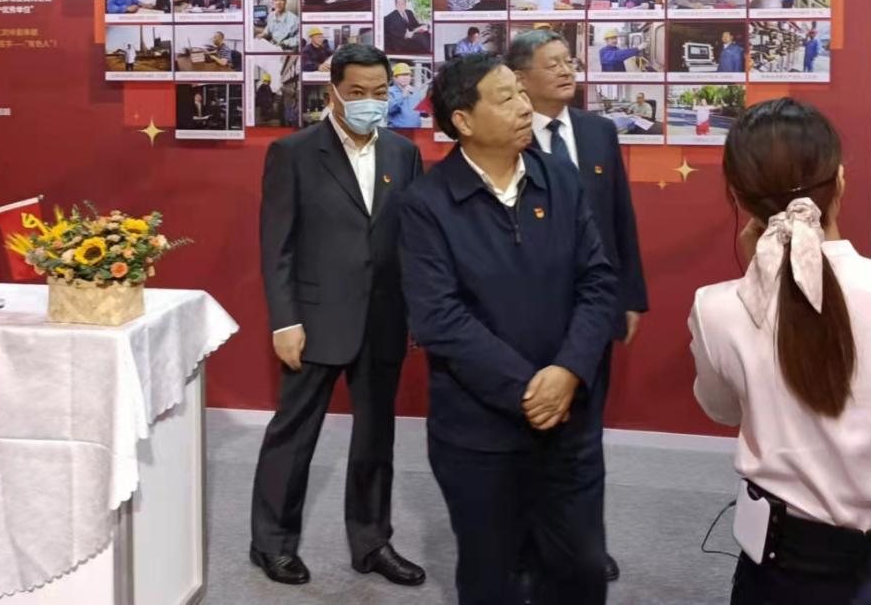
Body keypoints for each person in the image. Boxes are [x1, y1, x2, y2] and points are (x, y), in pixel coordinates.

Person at [689, 97, 871, 604]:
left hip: (787, 564)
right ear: (839, 180)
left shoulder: (717, 309)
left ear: (738, 198)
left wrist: (758, 282)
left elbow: (723, 408)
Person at [398, 52, 619, 605]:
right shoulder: (426, 204)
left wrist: (567, 372)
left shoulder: (560, 178)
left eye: (521, 93)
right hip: (479, 435)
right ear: (463, 121)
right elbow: (440, 319)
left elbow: (597, 282)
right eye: (506, 98)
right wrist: (529, 390)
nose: (524, 106)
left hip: (569, 424)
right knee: (492, 576)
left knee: (580, 568)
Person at [252, 43, 425, 589]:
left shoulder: (403, 153)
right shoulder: (294, 152)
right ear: (333, 93)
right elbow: (277, 246)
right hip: (313, 319)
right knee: (294, 434)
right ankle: (272, 543)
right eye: (357, 92)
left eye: (380, 92)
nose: (370, 102)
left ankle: (372, 542)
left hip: (384, 317)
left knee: (376, 437)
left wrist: (418, 312)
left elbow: (412, 242)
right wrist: (284, 321)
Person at [510, 29, 649, 585]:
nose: (568, 71)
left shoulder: (598, 131)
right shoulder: (508, 136)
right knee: (531, 431)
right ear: (520, 79)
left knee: (586, 439)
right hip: (528, 310)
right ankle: (525, 543)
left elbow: (621, 218)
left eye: (570, 61)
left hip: (594, 307)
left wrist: (630, 296)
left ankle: (586, 545)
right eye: (553, 64)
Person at [387, 62, 423, 129]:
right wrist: (403, 96)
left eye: (407, 75)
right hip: (397, 131)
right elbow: (390, 109)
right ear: (395, 78)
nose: (405, 78)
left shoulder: (416, 92)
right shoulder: (390, 91)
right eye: (402, 75)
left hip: (416, 131)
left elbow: (423, 112)